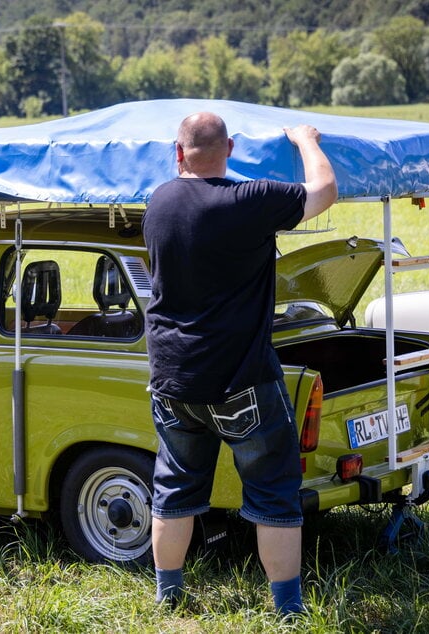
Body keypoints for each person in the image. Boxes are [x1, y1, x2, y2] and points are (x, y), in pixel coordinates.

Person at [142, 112, 337, 614]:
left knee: (174, 488)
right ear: (229, 148)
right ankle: (288, 610)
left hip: (172, 378)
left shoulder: (157, 202)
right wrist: (305, 141)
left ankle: (169, 598)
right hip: (241, 382)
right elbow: (324, 190)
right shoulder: (248, 201)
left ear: (177, 152)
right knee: (274, 494)